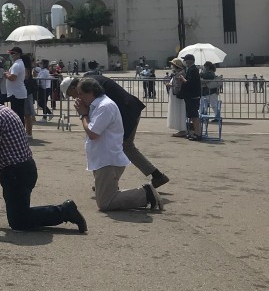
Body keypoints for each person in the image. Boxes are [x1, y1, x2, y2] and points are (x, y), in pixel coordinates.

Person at [0, 99, 87, 232]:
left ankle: (64, 211)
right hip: (22, 170)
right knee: (19, 216)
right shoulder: (2, 109)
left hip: (16, 173)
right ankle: (63, 211)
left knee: (19, 221)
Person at [71, 78, 163, 212]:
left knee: (106, 203)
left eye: (80, 94)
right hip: (104, 159)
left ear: (90, 92)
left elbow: (92, 133)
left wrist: (83, 115)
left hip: (108, 161)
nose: (78, 98)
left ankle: (146, 194)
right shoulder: (99, 105)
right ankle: (145, 193)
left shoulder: (104, 106)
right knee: (106, 198)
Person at [178, 54, 202, 141]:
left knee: (194, 115)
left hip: (193, 96)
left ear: (190, 60)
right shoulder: (192, 69)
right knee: (192, 115)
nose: (185, 62)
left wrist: (183, 79)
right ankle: (195, 132)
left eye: (186, 60)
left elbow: (190, 83)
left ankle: (198, 133)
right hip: (192, 96)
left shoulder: (193, 70)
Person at [4, 46, 27, 123]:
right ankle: (21, 132)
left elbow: (13, 78)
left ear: (18, 54)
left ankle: (19, 132)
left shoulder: (16, 65)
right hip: (17, 93)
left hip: (16, 94)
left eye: (12, 54)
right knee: (19, 114)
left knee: (17, 115)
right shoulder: (18, 64)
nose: (11, 55)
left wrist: (6, 75)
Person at [165, 58, 187, 137]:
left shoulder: (180, 74)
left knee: (179, 112)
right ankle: (180, 129)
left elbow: (178, 85)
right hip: (175, 96)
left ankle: (182, 129)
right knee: (177, 112)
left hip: (178, 97)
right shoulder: (177, 73)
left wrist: (170, 85)